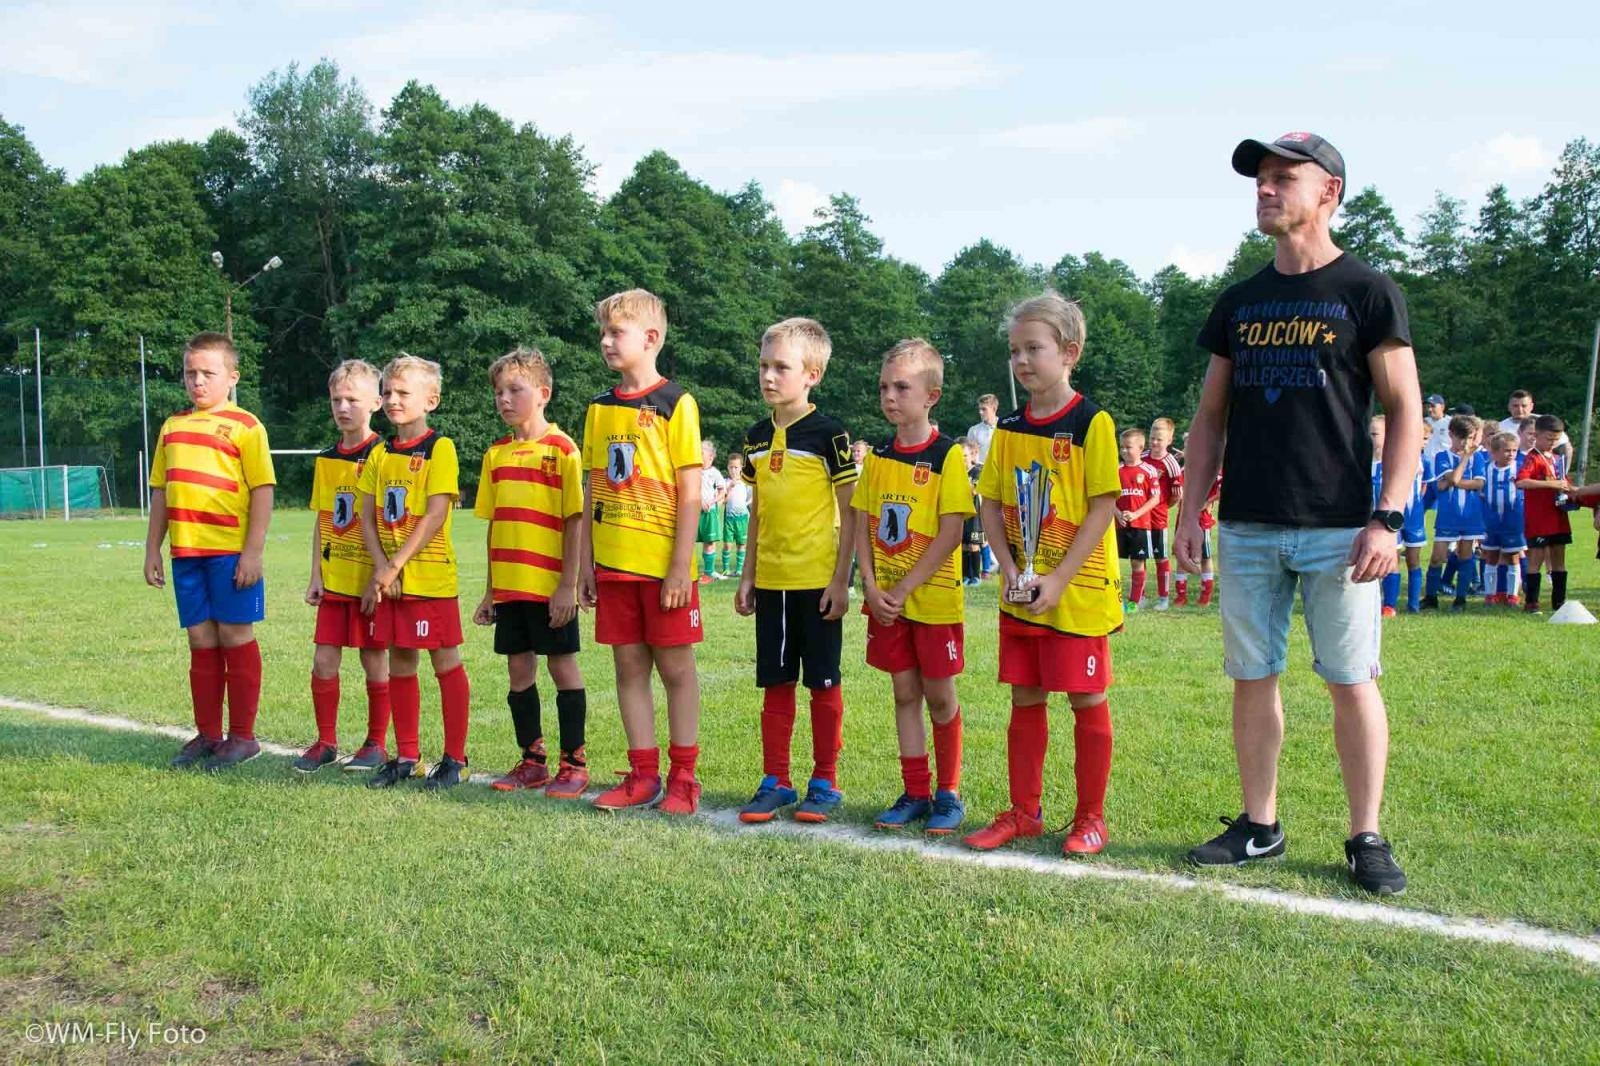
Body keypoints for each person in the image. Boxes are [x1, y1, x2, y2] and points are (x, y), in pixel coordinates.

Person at [1175, 131, 1420, 896]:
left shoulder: (1367, 292)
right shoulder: (1240, 301)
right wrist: (1191, 507)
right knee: (1254, 676)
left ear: (1329, 193)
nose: (1266, 189)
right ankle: (1260, 825)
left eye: (1284, 178)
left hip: (1339, 526)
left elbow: (1405, 407)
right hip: (1248, 521)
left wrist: (1389, 517)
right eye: (1260, 179)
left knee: (1351, 679)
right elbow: (1210, 416)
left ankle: (1366, 835)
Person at [966, 292, 1122, 857]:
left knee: (1085, 699)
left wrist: (1056, 579)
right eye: (1015, 351)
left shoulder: (1091, 422)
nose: (1022, 361)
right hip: (1020, 593)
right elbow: (990, 504)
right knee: (1025, 699)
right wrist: (1009, 569)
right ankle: (1024, 812)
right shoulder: (1006, 427)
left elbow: (1103, 507)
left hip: (1075, 593)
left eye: (1034, 348)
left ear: (1069, 352)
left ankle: (1090, 818)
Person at [580, 289, 706, 814]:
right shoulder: (599, 409)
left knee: (676, 671)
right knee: (628, 669)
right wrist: (585, 564)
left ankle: (683, 779)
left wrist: (680, 567)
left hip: (663, 570)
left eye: (617, 332)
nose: (607, 341)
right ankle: (642, 775)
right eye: (603, 333)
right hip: (613, 568)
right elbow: (591, 490)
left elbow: (690, 490)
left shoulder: (677, 403)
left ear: (651, 338)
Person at [733, 317, 857, 824]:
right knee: (775, 682)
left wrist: (841, 579)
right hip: (772, 583)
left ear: (812, 374)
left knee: (822, 683)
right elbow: (759, 509)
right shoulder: (756, 438)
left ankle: (824, 780)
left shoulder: (830, 435)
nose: (767, 376)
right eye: (763, 365)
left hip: (817, 581)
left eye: (780, 367)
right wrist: (747, 574)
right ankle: (775, 779)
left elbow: (851, 511)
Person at [854, 339, 974, 835]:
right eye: (884, 386)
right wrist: (869, 582)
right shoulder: (878, 457)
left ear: (932, 395)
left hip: (934, 601)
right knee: (904, 691)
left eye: (901, 387)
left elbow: (952, 532)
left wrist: (903, 587)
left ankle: (948, 794)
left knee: (939, 695)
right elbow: (861, 520)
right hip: (887, 603)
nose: (889, 396)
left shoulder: (947, 457)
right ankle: (915, 791)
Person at [144, 332, 275, 771]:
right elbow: (161, 492)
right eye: (190, 373)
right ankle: (208, 734)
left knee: (234, 635)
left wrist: (252, 552)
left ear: (231, 377)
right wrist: (153, 550)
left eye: (208, 373)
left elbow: (263, 490)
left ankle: (243, 737)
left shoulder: (246, 426)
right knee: (200, 639)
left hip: (230, 553)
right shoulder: (172, 427)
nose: (197, 381)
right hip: (187, 554)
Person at [471, 348, 590, 798]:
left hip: (548, 587)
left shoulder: (563, 449)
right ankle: (532, 760)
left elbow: (574, 521)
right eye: (498, 391)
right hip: (510, 587)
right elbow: (495, 525)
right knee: (518, 672)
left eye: (514, 390)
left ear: (542, 394)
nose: (504, 399)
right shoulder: (495, 454)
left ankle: (574, 762)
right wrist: (489, 592)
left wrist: (567, 585)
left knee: (562, 668)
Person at [357, 354, 471, 790]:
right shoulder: (381, 453)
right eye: (387, 391)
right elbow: (366, 518)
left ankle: (455, 759)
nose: (391, 399)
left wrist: (396, 565)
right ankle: (406, 756)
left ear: (432, 399)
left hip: (429, 579)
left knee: (445, 661)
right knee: (401, 662)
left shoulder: (439, 448)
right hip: (393, 579)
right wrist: (384, 570)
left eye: (403, 392)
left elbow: (435, 514)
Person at [298, 359, 389, 773]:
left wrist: (382, 574)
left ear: (376, 401)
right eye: (337, 399)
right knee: (323, 660)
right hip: (335, 578)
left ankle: (376, 742)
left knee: (374, 659)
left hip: (370, 580)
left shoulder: (384, 455)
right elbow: (323, 518)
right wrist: (316, 574)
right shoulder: (325, 459)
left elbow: (390, 521)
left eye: (353, 398)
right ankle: (325, 741)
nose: (343, 406)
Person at [1424, 415, 1486, 612]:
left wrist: (1453, 482)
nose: (1466, 443)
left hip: (1471, 515)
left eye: (1470, 438)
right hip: (1448, 515)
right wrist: (1464, 461)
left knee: (1465, 555)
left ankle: (1460, 599)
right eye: (1462, 438)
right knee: (1437, 557)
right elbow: (1446, 481)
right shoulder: (1442, 456)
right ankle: (1431, 597)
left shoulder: (1478, 457)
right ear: (1451, 435)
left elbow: (1478, 483)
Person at [1517, 413, 1575, 613]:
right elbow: (1521, 481)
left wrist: (1572, 491)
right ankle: (1531, 602)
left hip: (1558, 516)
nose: (1552, 443)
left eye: (1555, 439)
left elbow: (1564, 482)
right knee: (1536, 559)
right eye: (1548, 438)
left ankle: (1559, 602)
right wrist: (1551, 484)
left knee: (1559, 558)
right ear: (1537, 435)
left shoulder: (1558, 459)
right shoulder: (1532, 458)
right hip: (1539, 518)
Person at [1468, 430, 1526, 606]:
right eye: (1507, 450)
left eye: (1514, 450)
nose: (1511, 454)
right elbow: (1478, 491)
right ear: (1494, 452)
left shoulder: (1520, 467)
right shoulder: (1486, 468)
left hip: (1513, 519)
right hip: (1490, 520)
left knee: (1513, 556)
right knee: (1490, 556)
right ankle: (1490, 594)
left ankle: (1512, 594)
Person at [1115, 427, 1162, 613]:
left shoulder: (1149, 471)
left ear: (1141, 447)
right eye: (1122, 447)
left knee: (1137, 562)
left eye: (1128, 447)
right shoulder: (1116, 470)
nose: (1124, 451)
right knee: (1115, 562)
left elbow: (1155, 498)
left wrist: (1135, 514)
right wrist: (1117, 512)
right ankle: (1114, 598)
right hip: (1119, 524)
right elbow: (1109, 497)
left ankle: (1134, 601)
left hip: (1141, 525)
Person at [1143, 418, 1183, 610]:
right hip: (1139, 518)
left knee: (1161, 557)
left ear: (1169, 440)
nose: (1155, 442)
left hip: (1158, 517)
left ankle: (1163, 597)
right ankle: (1139, 596)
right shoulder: (1141, 458)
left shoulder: (1171, 464)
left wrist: (1163, 507)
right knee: (1138, 557)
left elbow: (1177, 495)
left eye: (1159, 439)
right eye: (1152, 438)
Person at [698, 440, 728, 583]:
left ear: (711, 457)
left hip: (709, 512)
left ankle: (708, 573)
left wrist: (713, 501)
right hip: (694, 511)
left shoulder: (714, 473)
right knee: (687, 540)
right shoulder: (693, 471)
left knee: (709, 541)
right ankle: (688, 570)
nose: (698, 455)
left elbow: (723, 491)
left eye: (701, 453)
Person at [958, 437, 985, 585]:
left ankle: (976, 576)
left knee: (974, 544)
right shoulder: (956, 472)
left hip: (975, 513)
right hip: (961, 512)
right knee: (962, 545)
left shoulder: (977, 471)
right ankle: (964, 576)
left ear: (972, 455)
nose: (963, 459)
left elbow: (975, 490)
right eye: (960, 456)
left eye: (965, 456)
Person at [721, 453, 751, 580]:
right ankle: (725, 569)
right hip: (729, 518)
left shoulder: (745, 483)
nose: (733, 470)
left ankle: (739, 570)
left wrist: (746, 504)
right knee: (727, 544)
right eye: (731, 467)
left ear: (741, 468)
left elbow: (751, 497)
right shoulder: (725, 482)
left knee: (741, 544)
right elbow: (723, 500)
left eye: (736, 467)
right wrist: (730, 487)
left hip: (742, 518)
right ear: (728, 468)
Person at [1422, 393, 1452, 463]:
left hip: (1444, 462)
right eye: (1427, 406)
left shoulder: (1451, 422)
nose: (1429, 409)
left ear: (1442, 407)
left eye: (1433, 406)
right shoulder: (1424, 422)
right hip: (1427, 462)